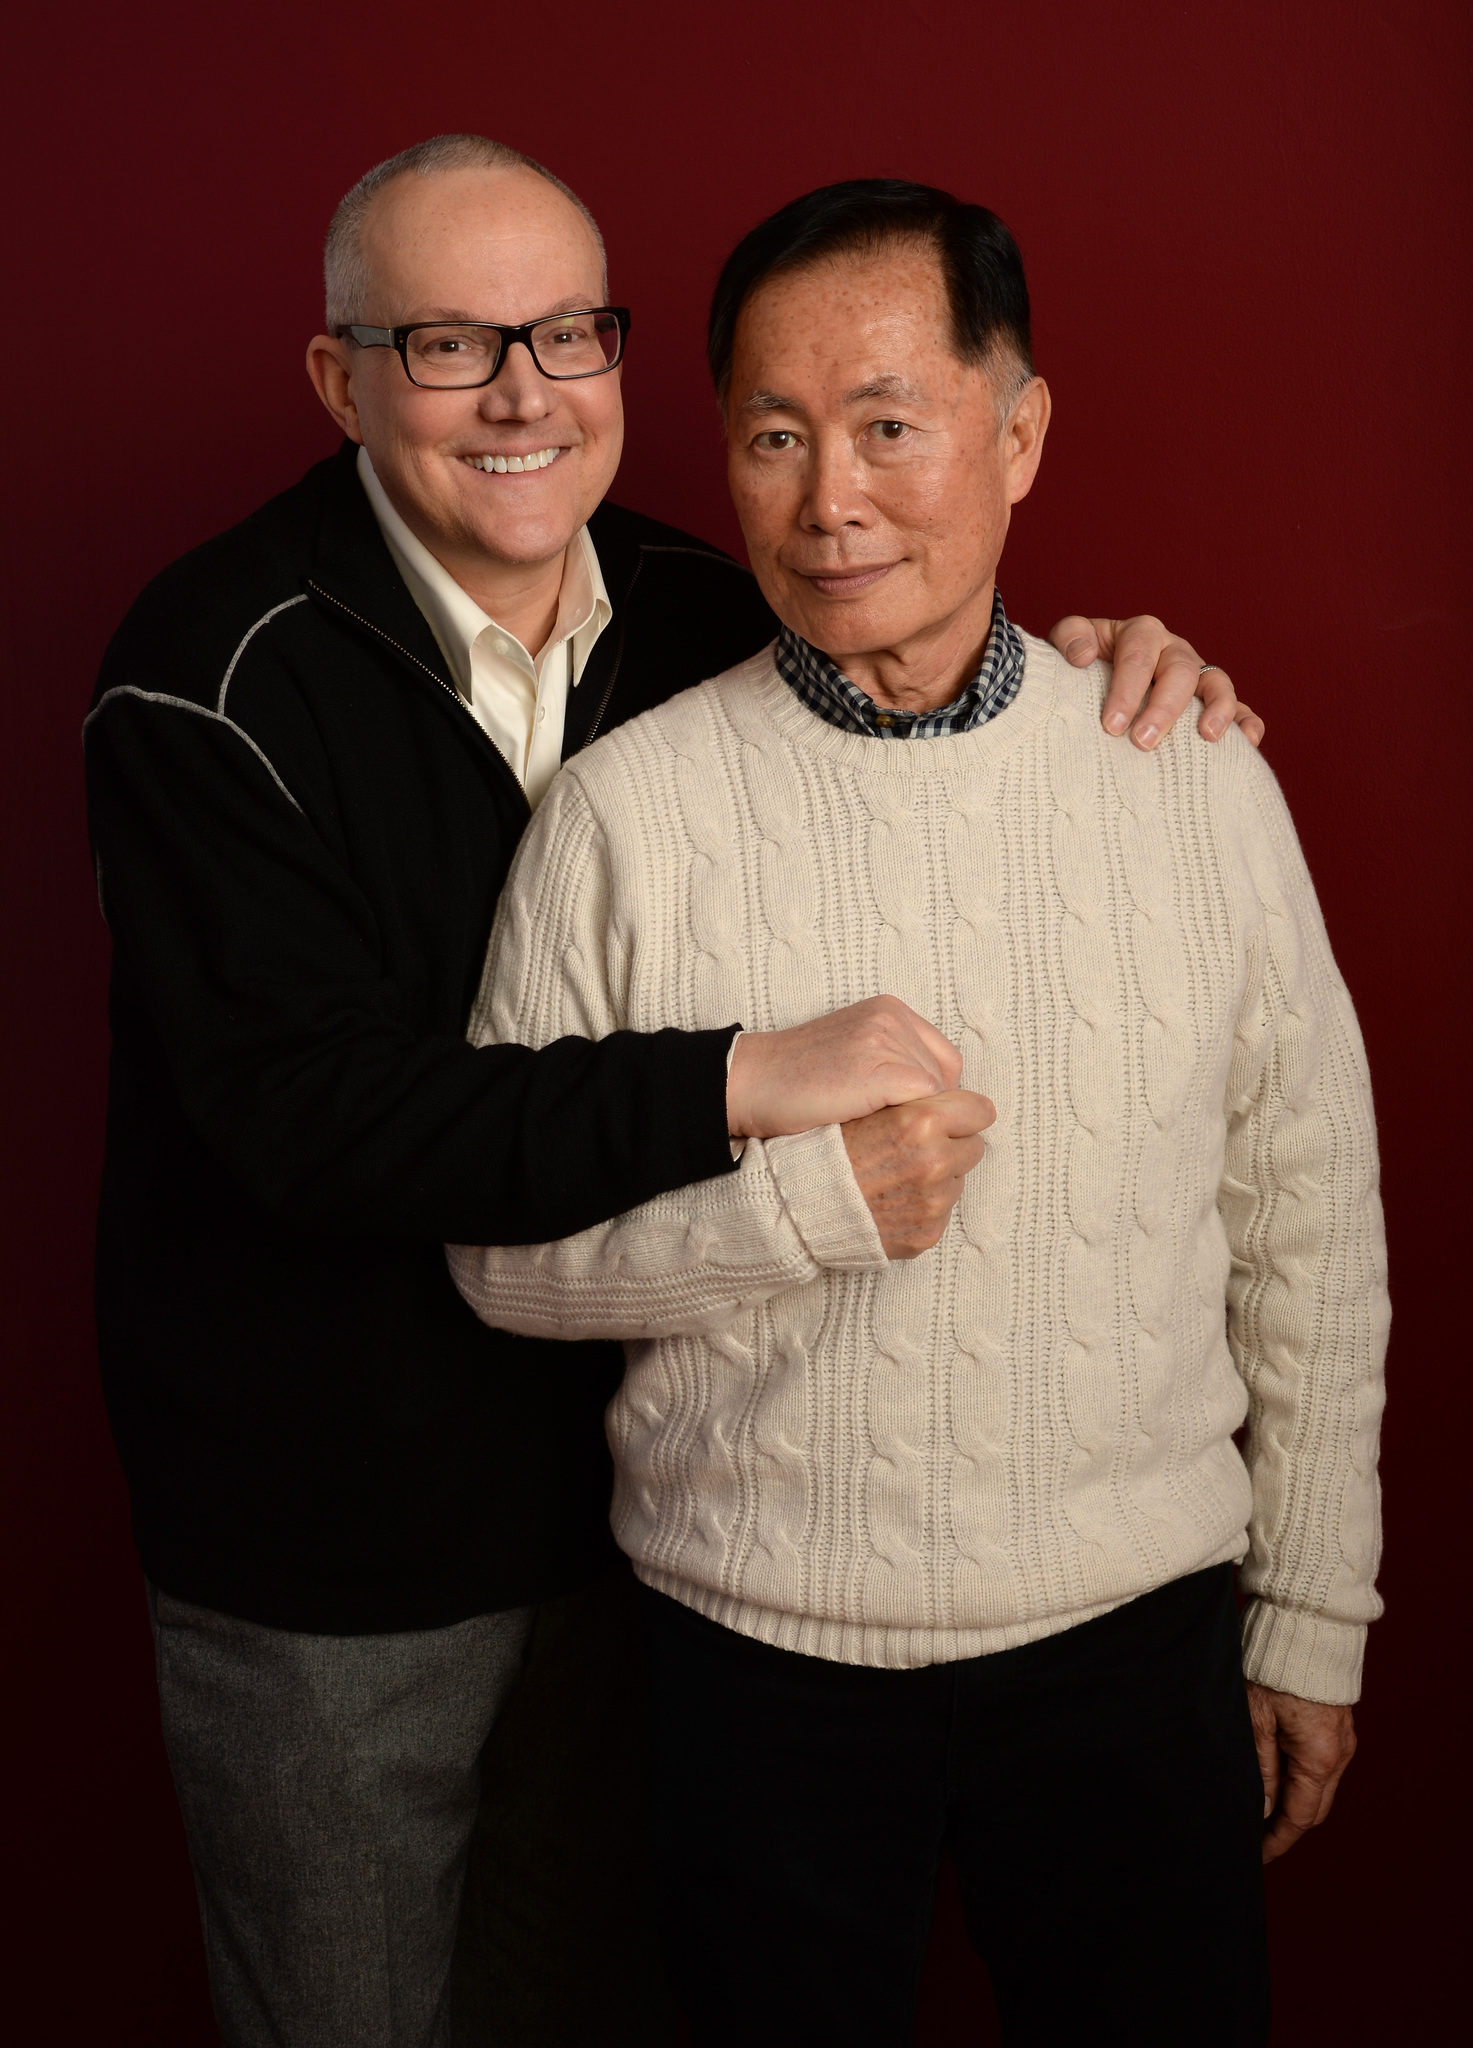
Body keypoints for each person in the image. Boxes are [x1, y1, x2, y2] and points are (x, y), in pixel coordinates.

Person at [84, 133, 1262, 2046]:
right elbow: (321, 1126)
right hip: (336, 1542)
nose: (525, 393)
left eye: (567, 331)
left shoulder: (704, 609)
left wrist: (1114, 672)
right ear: (340, 378)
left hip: (639, 1534)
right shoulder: (206, 674)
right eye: (451, 344)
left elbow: (917, 674)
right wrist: (740, 1085)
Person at [449, 177, 1388, 2048]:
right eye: (775, 438)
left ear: (1018, 434)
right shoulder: (624, 813)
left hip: (1137, 1636)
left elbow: (1306, 1214)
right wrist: (797, 1215)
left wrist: (1309, 1609)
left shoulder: (1184, 771)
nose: (830, 499)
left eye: (890, 424)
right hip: (749, 1660)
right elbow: (495, 1260)